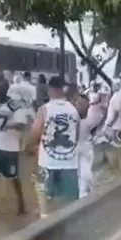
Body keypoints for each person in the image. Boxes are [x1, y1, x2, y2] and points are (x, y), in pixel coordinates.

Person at [28, 76, 80, 217]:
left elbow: (35, 135)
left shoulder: (44, 110)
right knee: (68, 205)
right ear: (64, 90)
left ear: (50, 90)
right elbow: (77, 136)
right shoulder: (73, 110)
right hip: (69, 163)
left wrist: (30, 149)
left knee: (46, 206)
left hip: (48, 163)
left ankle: (47, 227)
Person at [0, 79, 28, 216]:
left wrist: (7, 126)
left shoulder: (15, 106)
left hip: (9, 148)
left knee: (13, 178)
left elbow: (22, 125)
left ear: (5, 91)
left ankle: (21, 204)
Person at [76, 94, 95, 198]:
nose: (80, 105)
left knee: (85, 174)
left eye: (83, 104)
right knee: (81, 175)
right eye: (78, 103)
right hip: (77, 149)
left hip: (86, 148)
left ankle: (85, 196)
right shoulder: (73, 117)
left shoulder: (89, 119)